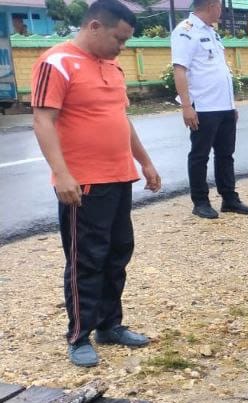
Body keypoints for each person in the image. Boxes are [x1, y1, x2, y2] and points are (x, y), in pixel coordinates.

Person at [30, 0, 161, 367]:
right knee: (86, 258)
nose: (123, 47)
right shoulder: (56, 62)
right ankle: (79, 334)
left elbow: (121, 119)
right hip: (83, 183)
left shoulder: (112, 66)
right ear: (94, 27)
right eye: (119, 39)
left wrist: (145, 161)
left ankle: (109, 324)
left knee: (118, 252)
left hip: (120, 177)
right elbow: (43, 121)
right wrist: (63, 174)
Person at [171, 0, 248, 220]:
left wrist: (232, 106)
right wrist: (187, 106)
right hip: (204, 106)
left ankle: (229, 198)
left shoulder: (212, 33)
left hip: (223, 106)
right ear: (211, 6)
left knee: (226, 154)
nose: (221, 10)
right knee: (200, 155)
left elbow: (220, 71)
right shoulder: (185, 31)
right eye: (219, 5)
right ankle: (200, 202)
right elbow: (179, 69)